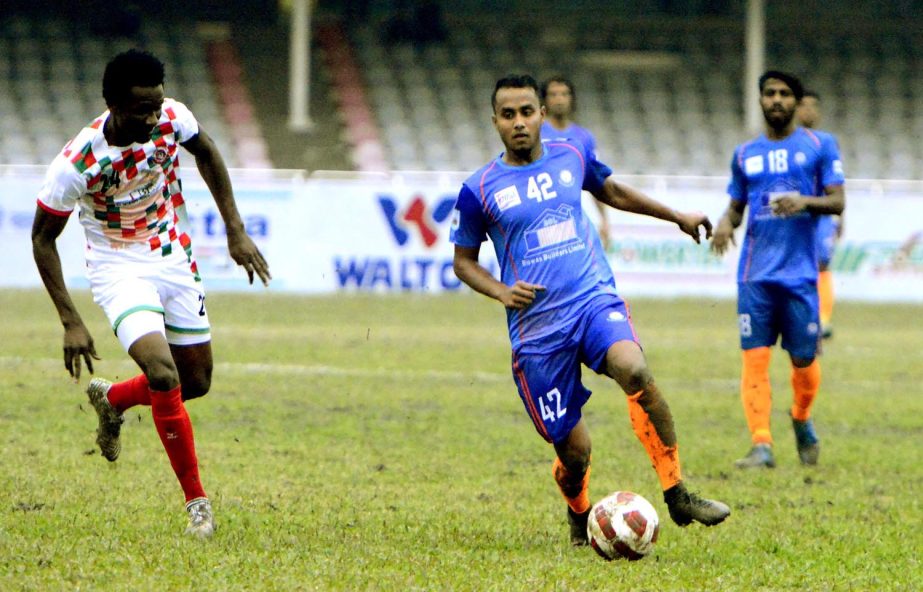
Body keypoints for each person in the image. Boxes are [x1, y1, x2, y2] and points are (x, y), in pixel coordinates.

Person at [451, 74, 730, 547]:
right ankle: (578, 511)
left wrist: (677, 216)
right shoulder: (478, 189)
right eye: (508, 114)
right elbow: (462, 261)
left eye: (526, 111)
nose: (518, 122)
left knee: (634, 368)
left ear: (542, 114)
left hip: (591, 300)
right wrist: (500, 291)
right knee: (576, 451)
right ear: (494, 120)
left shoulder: (571, 155)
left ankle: (677, 491)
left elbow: (613, 192)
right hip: (537, 333)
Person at [31, 49, 271, 538]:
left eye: (157, 105)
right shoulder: (78, 162)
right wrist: (70, 321)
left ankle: (114, 398)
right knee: (163, 373)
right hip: (119, 267)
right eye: (143, 108)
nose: (154, 116)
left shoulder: (173, 118)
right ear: (114, 104)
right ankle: (197, 505)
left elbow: (207, 152)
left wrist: (235, 230)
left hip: (171, 253)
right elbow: (42, 238)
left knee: (194, 382)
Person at [710, 71, 845, 469]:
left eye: (785, 94)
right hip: (755, 276)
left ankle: (801, 418)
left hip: (801, 276)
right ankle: (761, 444)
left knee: (804, 362)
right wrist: (724, 223)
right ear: (761, 100)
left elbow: (837, 202)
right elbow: (736, 205)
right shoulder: (744, 154)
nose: (776, 100)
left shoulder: (820, 146)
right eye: (769, 93)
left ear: (796, 102)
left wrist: (804, 201)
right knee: (754, 358)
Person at [540, 76, 612, 250]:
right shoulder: (536, 133)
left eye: (564, 94)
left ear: (572, 99)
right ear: (544, 100)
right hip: (540, 215)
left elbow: (595, 180)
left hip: (572, 217)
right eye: (554, 94)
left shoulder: (584, 137)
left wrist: (604, 219)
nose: (559, 99)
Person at [796, 90, 842, 339]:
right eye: (803, 106)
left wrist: (839, 218)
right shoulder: (787, 142)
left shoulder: (827, 142)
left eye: (814, 106)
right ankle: (802, 317)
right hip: (796, 215)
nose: (808, 111)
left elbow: (836, 184)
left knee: (822, 264)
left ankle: (823, 320)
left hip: (822, 214)